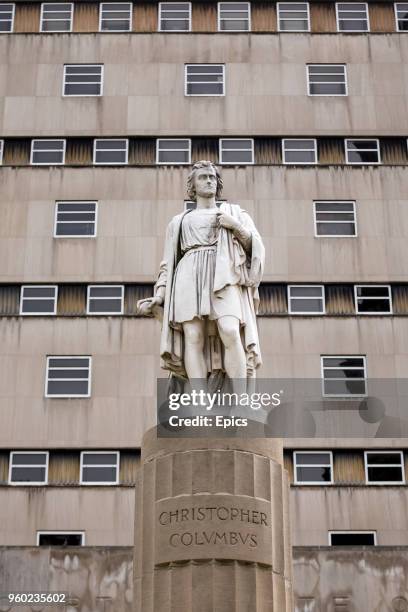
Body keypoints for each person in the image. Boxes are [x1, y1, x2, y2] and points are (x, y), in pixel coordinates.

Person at [137, 160, 265, 384]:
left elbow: (255, 248)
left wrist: (235, 226)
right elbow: (168, 263)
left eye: (212, 177)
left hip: (225, 275)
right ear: (192, 187)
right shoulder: (179, 222)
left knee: (230, 330)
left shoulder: (235, 213)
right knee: (193, 337)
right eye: (203, 177)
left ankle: (242, 401)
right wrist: (160, 294)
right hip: (188, 275)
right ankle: (199, 403)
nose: (208, 181)